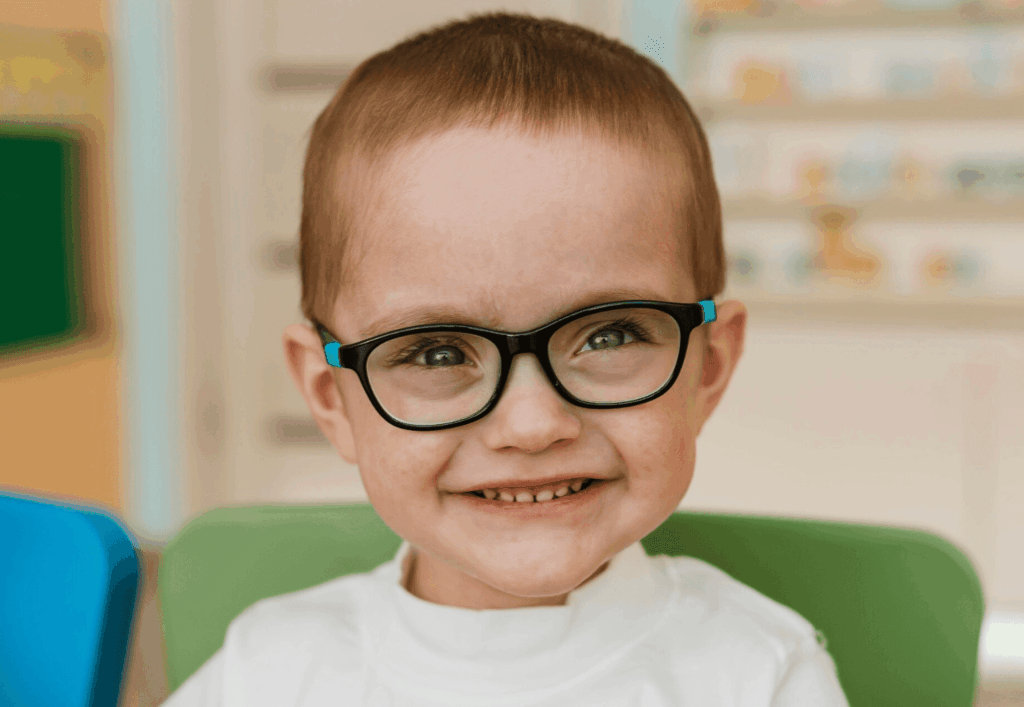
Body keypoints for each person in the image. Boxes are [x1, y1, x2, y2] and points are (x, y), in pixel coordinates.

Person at [162, 12, 849, 706]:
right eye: (436, 351)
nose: (533, 424)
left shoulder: (760, 674)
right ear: (331, 397)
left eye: (608, 336)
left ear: (708, 367)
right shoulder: (269, 669)